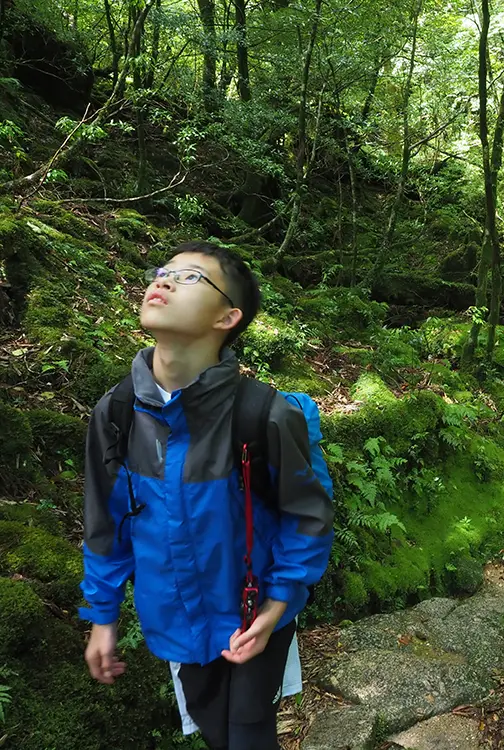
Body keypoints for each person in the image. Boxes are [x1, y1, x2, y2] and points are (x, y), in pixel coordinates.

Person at [79, 242, 335, 750]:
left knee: (246, 732)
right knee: (213, 725)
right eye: (163, 272)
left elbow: (307, 515)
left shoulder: (264, 415)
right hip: (174, 617)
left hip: (255, 610)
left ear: (228, 317)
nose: (165, 281)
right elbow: (105, 526)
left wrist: (278, 605)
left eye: (192, 277)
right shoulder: (118, 414)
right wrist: (102, 617)